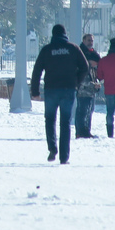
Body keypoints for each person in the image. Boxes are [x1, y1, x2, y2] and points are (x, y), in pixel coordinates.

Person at [30, 24, 90, 164]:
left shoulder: (47, 50)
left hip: (51, 90)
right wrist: (76, 82)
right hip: (69, 89)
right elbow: (85, 67)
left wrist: (35, 91)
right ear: (65, 34)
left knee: (50, 120)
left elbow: (37, 70)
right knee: (65, 122)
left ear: (53, 34)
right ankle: (64, 157)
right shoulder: (73, 48)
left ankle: (52, 147)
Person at [75, 34, 102, 138]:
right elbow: (80, 70)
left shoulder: (94, 53)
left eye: (92, 40)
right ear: (83, 40)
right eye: (88, 40)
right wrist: (90, 64)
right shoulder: (80, 53)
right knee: (83, 110)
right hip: (83, 88)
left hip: (92, 88)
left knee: (89, 110)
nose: (90, 42)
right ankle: (81, 132)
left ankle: (86, 130)